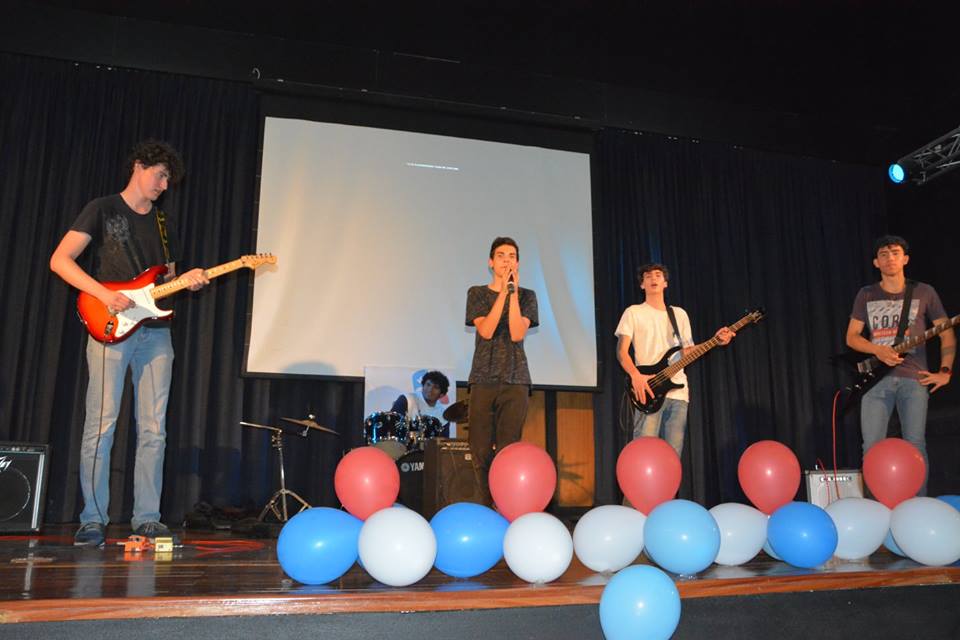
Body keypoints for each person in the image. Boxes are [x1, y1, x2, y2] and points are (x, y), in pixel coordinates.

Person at [50, 140, 209, 547]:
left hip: (156, 334)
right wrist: (104, 294)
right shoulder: (101, 209)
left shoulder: (164, 223)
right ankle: (92, 519)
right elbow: (60, 260)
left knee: (154, 430)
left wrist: (186, 281)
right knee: (101, 425)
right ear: (139, 166)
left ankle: (147, 518)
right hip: (110, 328)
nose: (164, 185)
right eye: (160, 175)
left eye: (168, 180)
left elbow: (164, 281)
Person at [846, 235, 954, 495]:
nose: (889, 258)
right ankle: (875, 505)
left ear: (905, 259)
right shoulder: (866, 294)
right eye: (883, 254)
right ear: (876, 262)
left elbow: (947, 334)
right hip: (876, 380)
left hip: (914, 378)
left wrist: (945, 371)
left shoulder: (924, 292)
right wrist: (878, 350)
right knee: (871, 447)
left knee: (915, 445)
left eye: (895, 253)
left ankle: (919, 503)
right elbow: (851, 337)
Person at [616, 263, 734, 457]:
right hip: (649, 389)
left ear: (665, 283)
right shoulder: (633, 312)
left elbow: (687, 352)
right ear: (642, 285)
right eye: (647, 276)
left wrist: (715, 341)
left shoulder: (679, 314)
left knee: (672, 457)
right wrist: (635, 376)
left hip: (679, 393)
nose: (653, 279)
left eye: (658, 275)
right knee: (644, 453)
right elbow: (621, 351)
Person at [465, 237, 538, 504]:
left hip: (516, 380)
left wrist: (514, 294)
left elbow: (517, 333)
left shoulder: (527, 296)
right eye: (500, 255)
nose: (506, 260)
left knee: (509, 450)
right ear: (490, 262)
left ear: (517, 263)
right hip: (483, 378)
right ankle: (484, 507)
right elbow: (486, 330)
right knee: (480, 450)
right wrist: (504, 294)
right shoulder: (477, 293)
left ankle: (505, 505)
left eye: (511, 256)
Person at [390, 370, 452, 439]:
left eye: (436, 387)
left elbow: (443, 440)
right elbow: (392, 424)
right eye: (428, 384)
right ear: (422, 386)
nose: (430, 389)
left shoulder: (443, 414)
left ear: (441, 394)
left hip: (430, 446)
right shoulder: (406, 399)